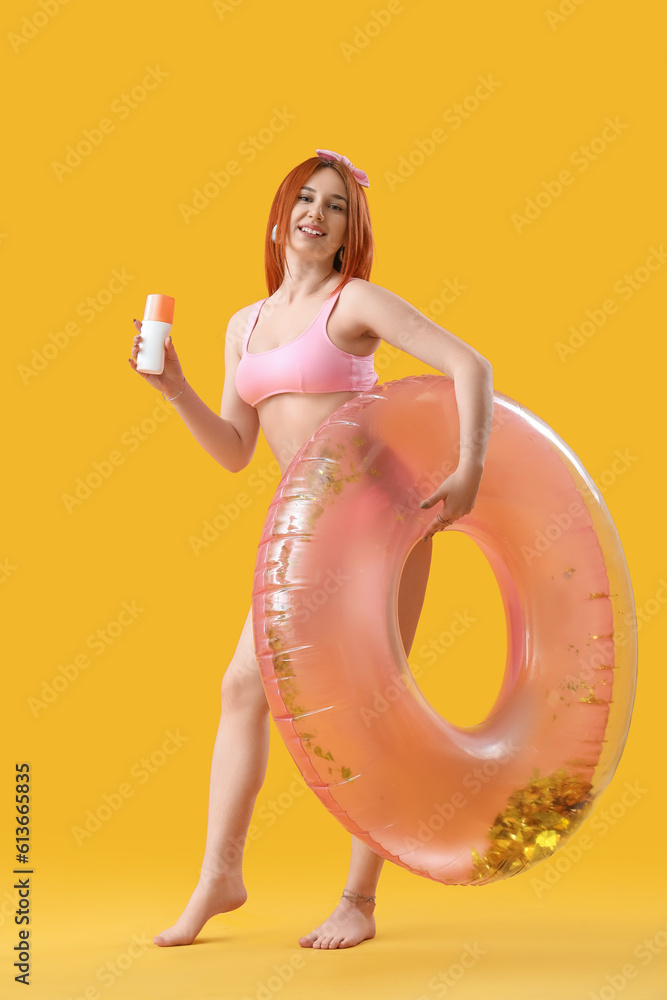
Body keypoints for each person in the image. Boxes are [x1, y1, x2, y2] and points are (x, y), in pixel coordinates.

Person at [128, 149, 494, 950]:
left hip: (379, 517)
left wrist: (467, 467)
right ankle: (219, 877)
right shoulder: (243, 325)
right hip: (302, 527)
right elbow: (233, 448)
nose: (315, 214)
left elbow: (470, 364)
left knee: (374, 704)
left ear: (345, 232)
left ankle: (357, 903)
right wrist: (175, 387)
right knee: (239, 690)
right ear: (278, 216)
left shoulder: (352, 301)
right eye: (304, 199)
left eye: (333, 206)